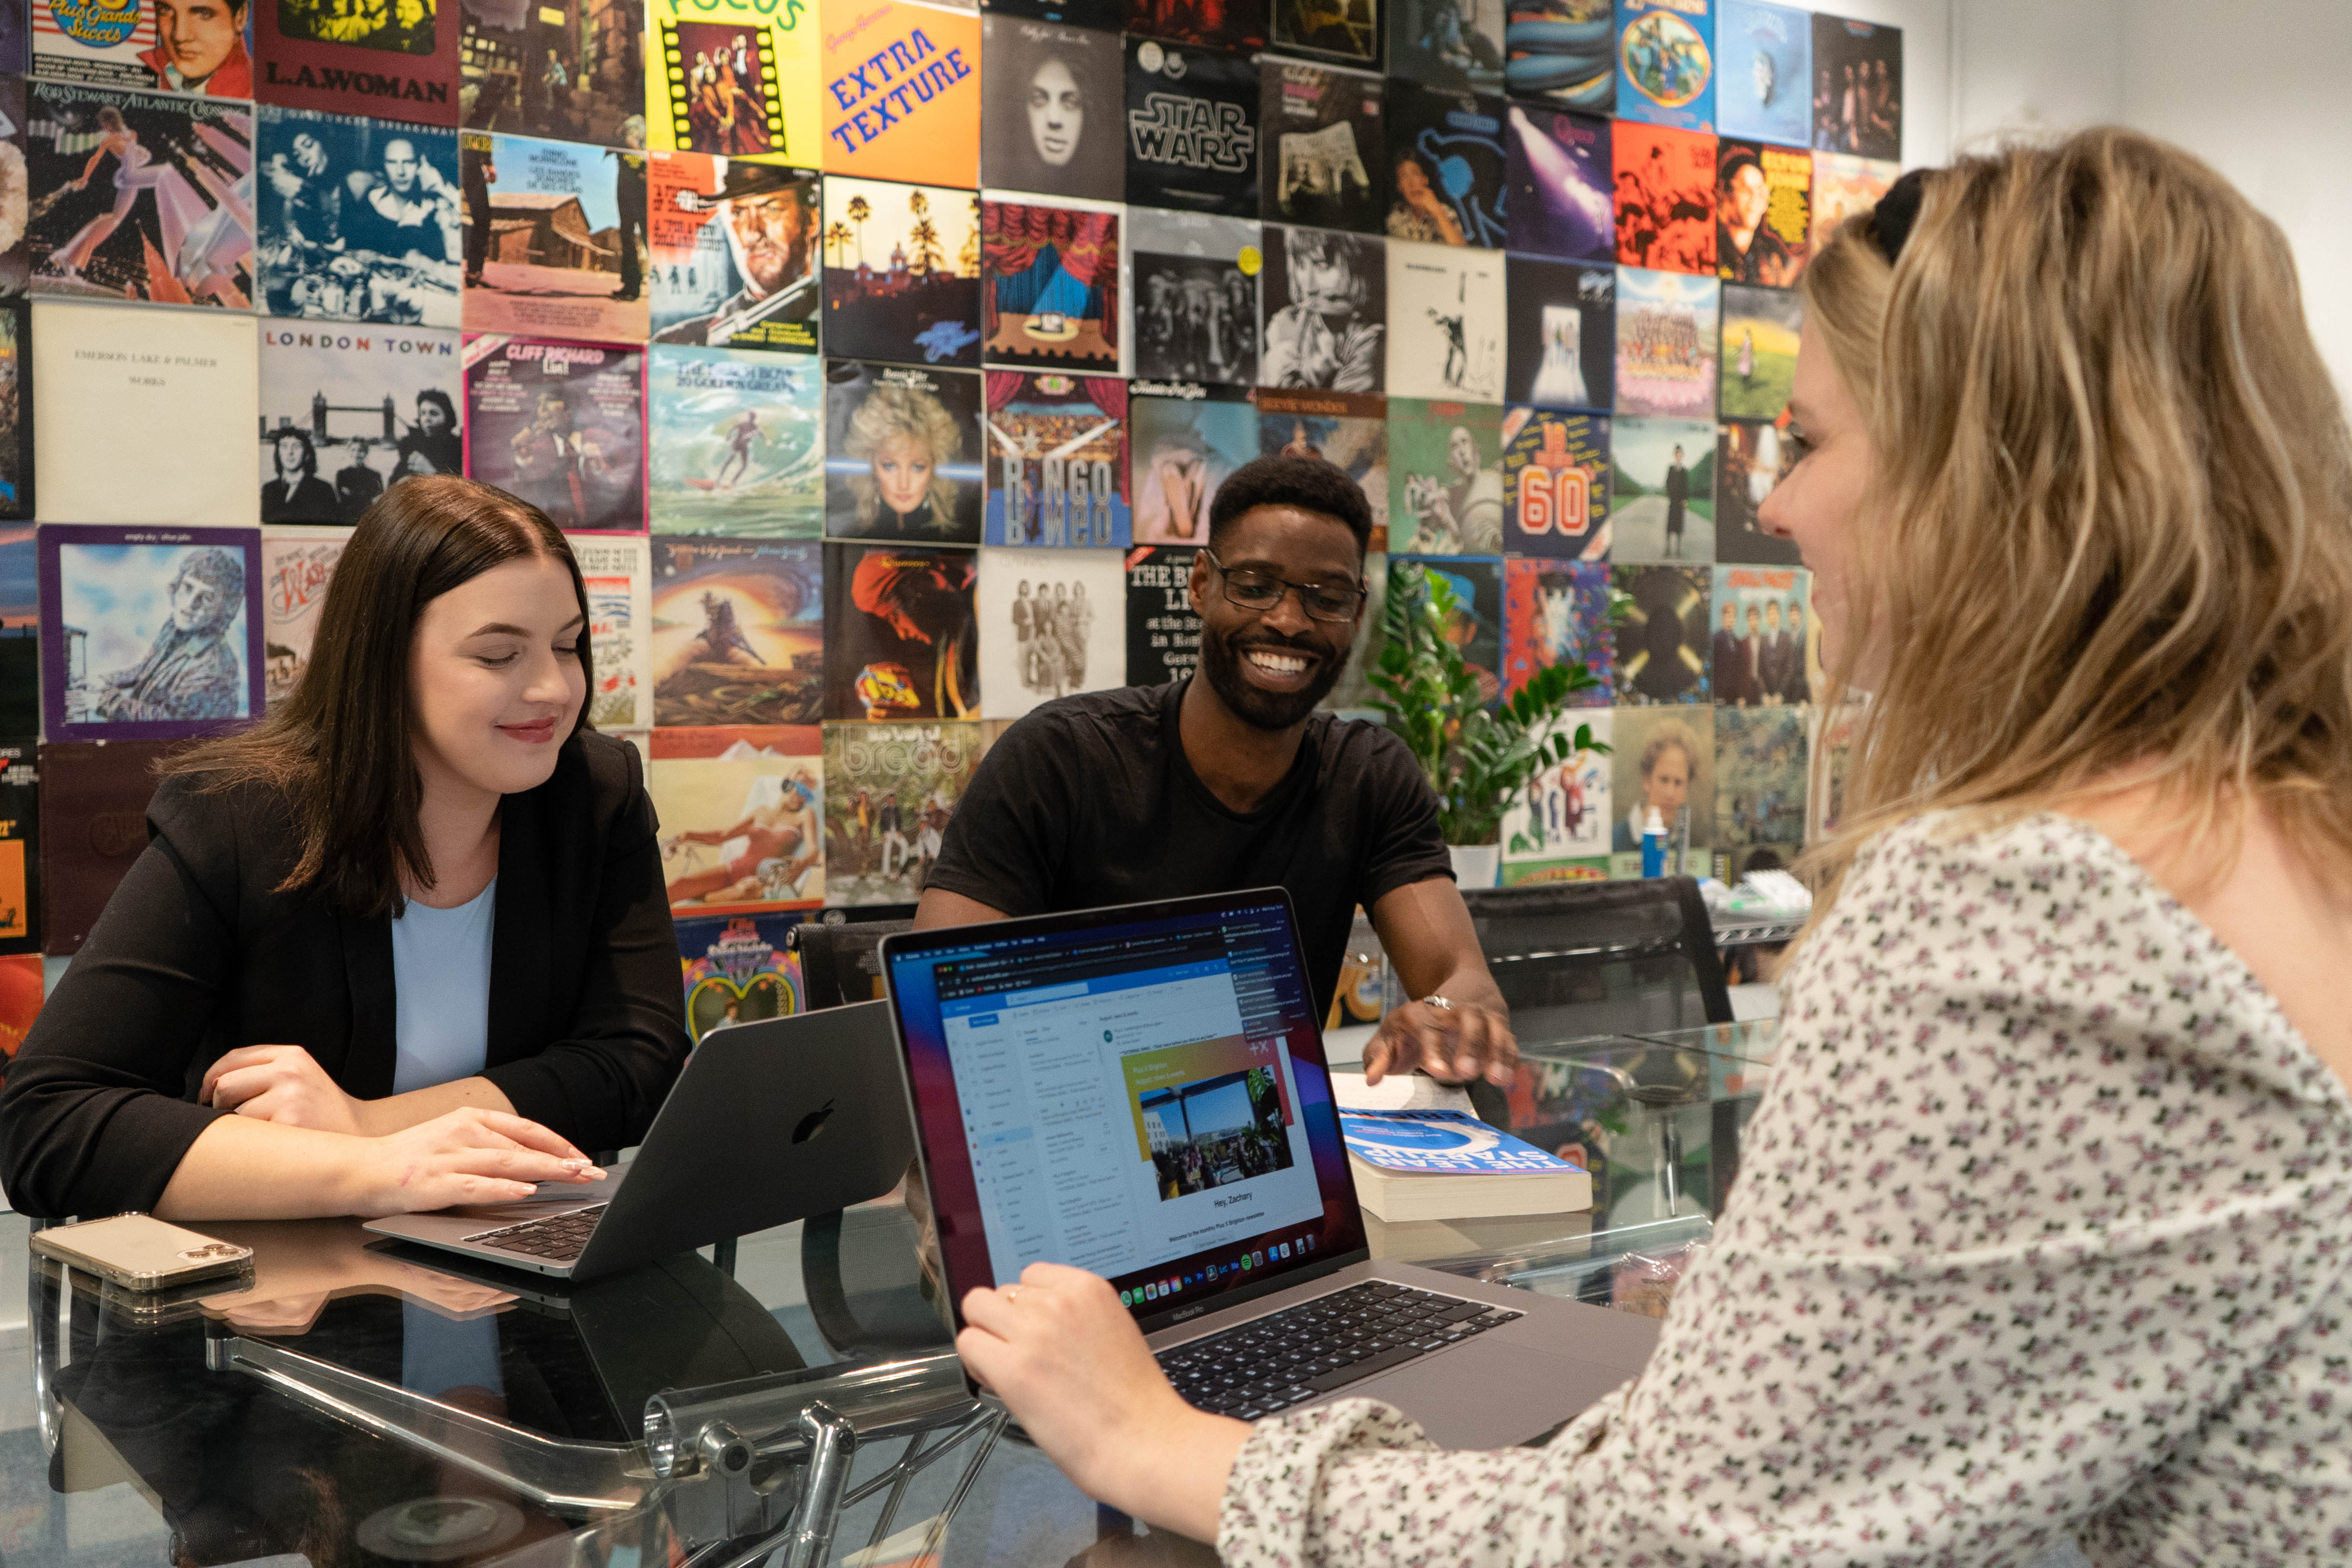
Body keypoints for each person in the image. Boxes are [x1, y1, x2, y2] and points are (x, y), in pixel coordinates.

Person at [946, 130, 2352, 1562]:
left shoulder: (2006, 907)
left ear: (1987, 471)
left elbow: (1665, 1540)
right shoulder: (2294, 831)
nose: (1777, 503)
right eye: (1253, 586)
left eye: (1804, 443)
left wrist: (1155, 1442)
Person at [0, 477, 689, 1221]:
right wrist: (374, 1169)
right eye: (498, 656)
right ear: (384, 659)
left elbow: (639, 1063)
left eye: (567, 645)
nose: (555, 688)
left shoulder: (595, 793)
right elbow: (47, 1124)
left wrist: (370, 1123)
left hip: (520, 1278)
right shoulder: (240, 817)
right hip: (282, 1307)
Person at [922, 454, 1520, 1087]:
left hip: (1260, 1155)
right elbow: (938, 1014)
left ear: (1357, 615)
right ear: (1201, 584)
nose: (1288, 620)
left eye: (1327, 597)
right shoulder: (1057, 758)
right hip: (1072, 1137)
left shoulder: (1368, 777)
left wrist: (1440, 1014)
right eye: (1255, 585)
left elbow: (1468, 987)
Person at [653, 164, 817, 346]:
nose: (753, 233)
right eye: (739, 213)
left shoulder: (835, 320)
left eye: (772, 210)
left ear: (811, 221)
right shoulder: (681, 341)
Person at [88, 547, 250, 724]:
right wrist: (102, 681)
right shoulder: (177, 626)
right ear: (177, 585)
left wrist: (105, 701)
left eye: (207, 598)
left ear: (225, 608)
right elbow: (147, 668)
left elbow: (171, 722)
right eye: (188, 588)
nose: (189, 605)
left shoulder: (215, 668)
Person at [1260, 231, 1383, 393]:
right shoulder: (1288, 321)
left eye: (1323, 266)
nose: (1309, 287)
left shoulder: (1369, 340)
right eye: (1301, 266)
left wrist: (1281, 356)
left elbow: (1332, 413)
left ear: (1354, 266)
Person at [838, 381, 963, 539]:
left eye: (918, 467)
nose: (904, 484)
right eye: (889, 466)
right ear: (871, 466)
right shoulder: (850, 532)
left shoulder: (953, 537)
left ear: (935, 468)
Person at [1610, 720, 1695, 852]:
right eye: (1664, 780)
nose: (1670, 793)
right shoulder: (1615, 841)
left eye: (1678, 783)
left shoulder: (1691, 844)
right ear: (1647, 781)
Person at [143, 0, 252, 96]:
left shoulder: (253, 92)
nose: (180, 36)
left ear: (240, 17)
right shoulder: (142, 65)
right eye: (165, 10)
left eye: (203, 13)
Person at [1384, 151, 1464, 245]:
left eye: (1415, 173)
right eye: (1404, 176)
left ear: (1425, 180)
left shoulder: (1447, 212)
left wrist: (1439, 213)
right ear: (1399, 186)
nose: (1411, 183)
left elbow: (1460, 250)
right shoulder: (1396, 217)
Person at [262, 428, 339, 523]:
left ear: (307, 454)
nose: (290, 452)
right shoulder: (269, 489)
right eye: (284, 446)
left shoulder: (323, 490)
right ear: (278, 454)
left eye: (297, 447)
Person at [397, 389, 464, 480]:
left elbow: (461, 487)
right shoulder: (412, 445)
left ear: (448, 417)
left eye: (434, 414)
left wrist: (431, 472)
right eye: (423, 413)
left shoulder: (458, 447)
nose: (426, 419)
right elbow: (394, 482)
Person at [335, 439, 385, 521]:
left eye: (361, 451)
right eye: (353, 450)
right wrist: (367, 496)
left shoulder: (375, 475)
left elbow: (379, 501)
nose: (356, 454)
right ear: (349, 452)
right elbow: (342, 501)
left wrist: (352, 493)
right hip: (348, 517)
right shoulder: (342, 474)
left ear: (366, 453)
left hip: (369, 517)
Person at [1661, 441, 1690, 557]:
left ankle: (1678, 550)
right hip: (1673, 501)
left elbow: (1686, 486)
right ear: (1675, 455)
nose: (1678, 456)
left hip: (1680, 502)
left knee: (1679, 526)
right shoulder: (1671, 468)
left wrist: (1685, 499)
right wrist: (1670, 495)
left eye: (1680, 454)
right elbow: (1668, 483)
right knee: (1670, 526)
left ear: (1682, 456)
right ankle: (1668, 550)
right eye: (1677, 454)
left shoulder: (1684, 471)